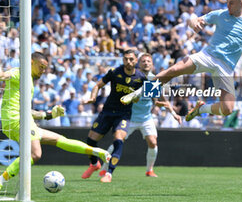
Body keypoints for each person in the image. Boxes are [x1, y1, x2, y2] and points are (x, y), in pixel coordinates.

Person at [121, 0, 242, 121]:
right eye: (227, 2)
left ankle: (201, 109)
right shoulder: (220, 14)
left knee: (227, 109)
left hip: (226, 67)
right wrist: (194, 23)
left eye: (231, 3)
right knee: (174, 70)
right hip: (208, 56)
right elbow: (195, 19)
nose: (228, 6)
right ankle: (139, 92)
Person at [0, 52, 111, 189]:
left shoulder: (28, 81)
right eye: (41, 67)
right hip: (16, 120)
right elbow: (3, 76)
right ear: (30, 62)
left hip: (19, 120)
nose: (43, 71)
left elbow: (28, 111)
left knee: (61, 140)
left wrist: (49, 115)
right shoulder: (19, 73)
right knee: (35, 154)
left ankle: (96, 151)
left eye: (45, 68)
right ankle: (2, 180)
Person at [98, 53, 182, 178]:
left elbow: (161, 99)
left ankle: (149, 170)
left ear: (152, 64)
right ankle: (104, 168)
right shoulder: (132, 76)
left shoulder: (154, 79)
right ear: (139, 63)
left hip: (146, 118)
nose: (146, 63)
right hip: (128, 117)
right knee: (118, 142)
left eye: (148, 61)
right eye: (143, 61)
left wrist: (174, 113)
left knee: (153, 142)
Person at [81, 50, 146, 183]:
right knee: (91, 140)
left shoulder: (141, 77)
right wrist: (93, 97)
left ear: (135, 61)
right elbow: (98, 85)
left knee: (118, 139)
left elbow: (153, 92)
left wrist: (161, 102)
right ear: (123, 60)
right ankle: (94, 164)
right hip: (107, 112)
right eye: (126, 59)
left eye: (131, 59)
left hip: (124, 114)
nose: (128, 62)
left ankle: (109, 173)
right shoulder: (115, 72)